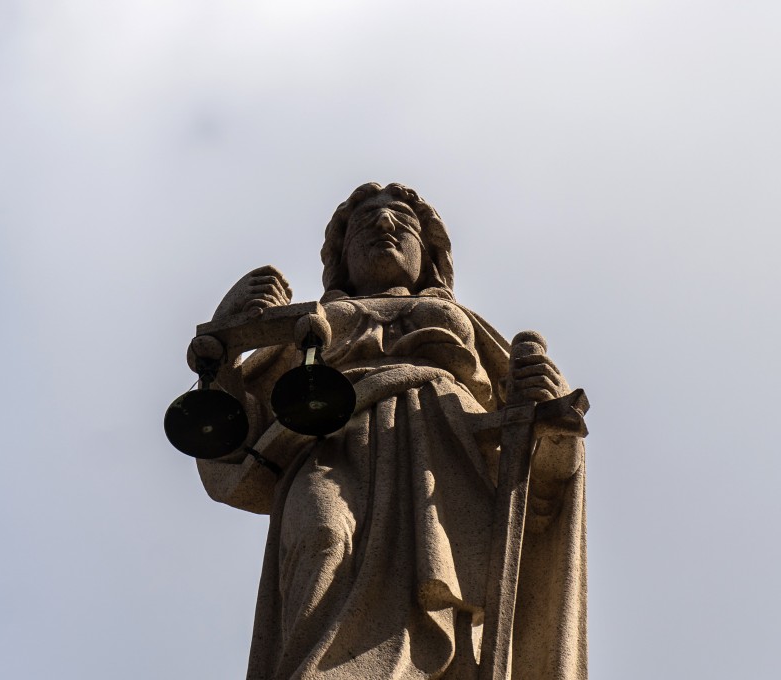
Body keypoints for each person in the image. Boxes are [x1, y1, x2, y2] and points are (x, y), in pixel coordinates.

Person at [192, 183, 587, 679]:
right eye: (364, 223)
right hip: (329, 449)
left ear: (431, 253)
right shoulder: (311, 328)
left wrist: (550, 404)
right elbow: (234, 441)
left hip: (443, 461)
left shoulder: (464, 323)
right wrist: (226, 341)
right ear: (340, 257)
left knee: (443, 591)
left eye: (403, 222)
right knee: (322, 535)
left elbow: (547, 466)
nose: (383, 226)